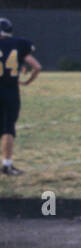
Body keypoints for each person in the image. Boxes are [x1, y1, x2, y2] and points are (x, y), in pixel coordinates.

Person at [0, 18, 42, 176]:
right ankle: (7, 165)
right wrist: (27, 81)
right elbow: (37, 66)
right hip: (10, 90)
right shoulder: (18, 44)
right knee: (8, 128)